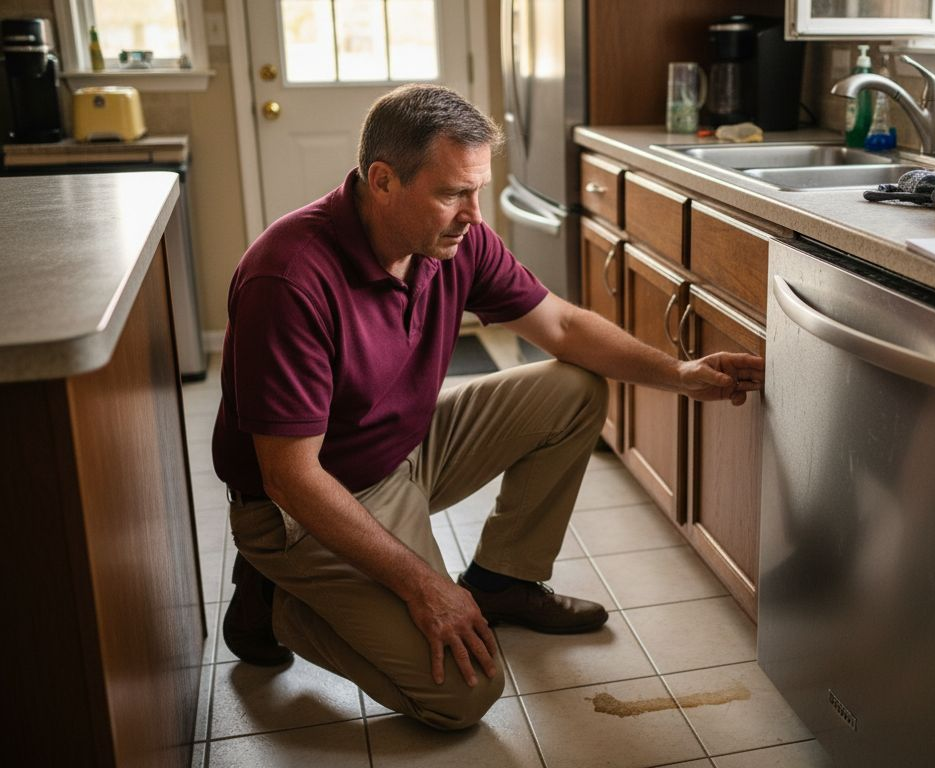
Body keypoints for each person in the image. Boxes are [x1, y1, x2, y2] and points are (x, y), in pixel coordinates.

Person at [211, 83, 764, 730]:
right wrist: (425, 586)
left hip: (406, 451)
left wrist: (681, 374)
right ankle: (276, 598)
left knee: (573, 388)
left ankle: (502, 580)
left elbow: (561, 327)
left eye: (477, 189)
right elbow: (290, 476)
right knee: (463, 696)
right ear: (382, 181)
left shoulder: (453, 240)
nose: (474, 213)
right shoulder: (289, 278)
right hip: (305, 505)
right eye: (452, 193)